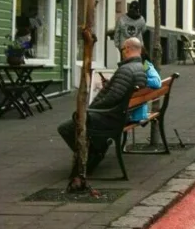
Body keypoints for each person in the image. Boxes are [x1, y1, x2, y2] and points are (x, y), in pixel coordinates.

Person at [56, 37, 147, 174]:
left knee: (66, 127)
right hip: (124, 114)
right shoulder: (140, 68)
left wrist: (91, 109)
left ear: (127, 49)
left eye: (122, 49)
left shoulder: (126, 70)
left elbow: (112, 97)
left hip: (112, 116)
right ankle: (97, 146)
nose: (122, 51)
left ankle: (93, 152)